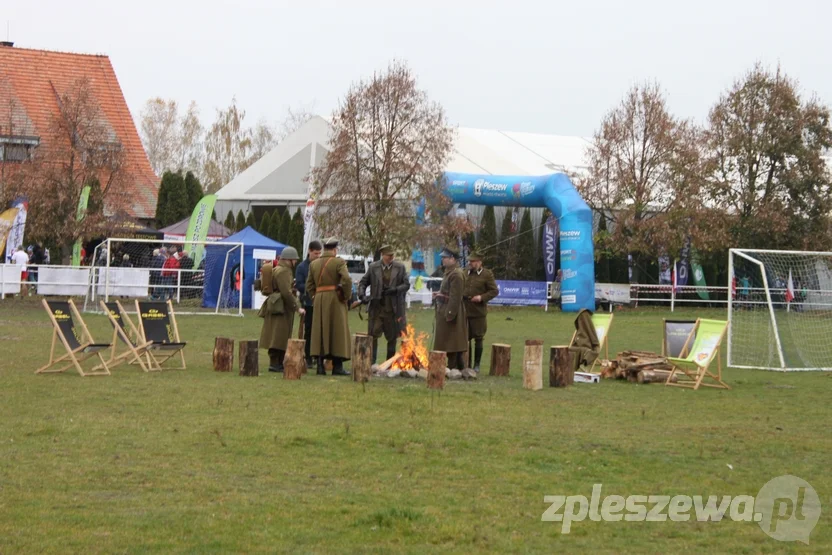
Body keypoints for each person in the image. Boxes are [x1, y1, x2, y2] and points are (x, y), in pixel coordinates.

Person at [306, 237, 352, 376]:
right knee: (337, 331)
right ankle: (337, 367)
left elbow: (309, 285)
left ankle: (320, 366)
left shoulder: (313, 264)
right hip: (335, 299)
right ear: (334, 249)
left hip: (319, 299)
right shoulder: (339, 262)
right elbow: (347, 279)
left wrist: (315, 296)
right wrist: (346, 296)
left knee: (320, 330)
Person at [358, 245, 410, 365]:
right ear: (383, 255)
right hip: (377, 309)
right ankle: (371, 363)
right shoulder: (373, 267)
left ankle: (388, 364)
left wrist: (395, 290)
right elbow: (363, 282)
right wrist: (362, 295)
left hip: (393, 309)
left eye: (392, 255)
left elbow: (406, 285)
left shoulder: (400, 267)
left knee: (392, 338)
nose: (391, 257)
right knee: (373, 336)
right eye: (389, 255)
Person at [257, 246, 304, 372]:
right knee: (279, 335)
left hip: (276, 304)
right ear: (289, 259)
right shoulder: (284, 271)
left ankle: (276, 362)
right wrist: (297, 307)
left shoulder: (278, 269)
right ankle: (275, 363)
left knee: (276, 334)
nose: (295, 262)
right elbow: (286, 292)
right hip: (281, 306)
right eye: (294, 260)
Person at [433, 246, 468, 374]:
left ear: (452, 259)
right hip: (445, 308)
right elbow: (447, 292)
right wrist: (439, 294)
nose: (442, 260)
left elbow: (455, 298)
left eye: (445, 258)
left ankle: (454, 369)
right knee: (447, 339)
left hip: (452, 311)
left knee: (452, 341)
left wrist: (450, 314)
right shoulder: (449, 272)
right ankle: (457, 367)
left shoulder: (456, 275)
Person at [463, 251, 499, 372]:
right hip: (464, 310)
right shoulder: (464, 273)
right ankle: (466, 363)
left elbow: (494, 291)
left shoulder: (487, 274)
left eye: (472, 262)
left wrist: (481, 298)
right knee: (465, 338)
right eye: (469, 261)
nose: (470, 263)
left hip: (478, 312)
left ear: (479, 262)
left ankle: (477, 365)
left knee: (478, 338)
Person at [294, 240, 323, 369]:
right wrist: (311, 288)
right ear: (309, 251)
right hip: (309, 302)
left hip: (321, 302)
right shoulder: (302, 267)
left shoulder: (322, 265)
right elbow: (299, 284)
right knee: (309, 330)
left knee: (320, 330)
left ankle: (318, 355)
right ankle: (309, 357)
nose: (317, 256)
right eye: (315, 253)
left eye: (319, 253)